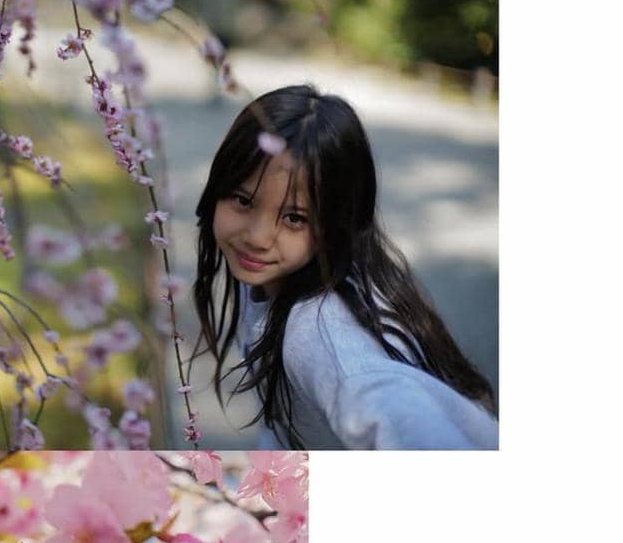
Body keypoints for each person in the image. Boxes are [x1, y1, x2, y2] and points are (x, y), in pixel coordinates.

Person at [190, 84, 499, 450]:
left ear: (337, 224)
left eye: (294, 218)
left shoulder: (320, 339)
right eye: (243, 200)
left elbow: (404, 417)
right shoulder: (273, 272)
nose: (258, 237)